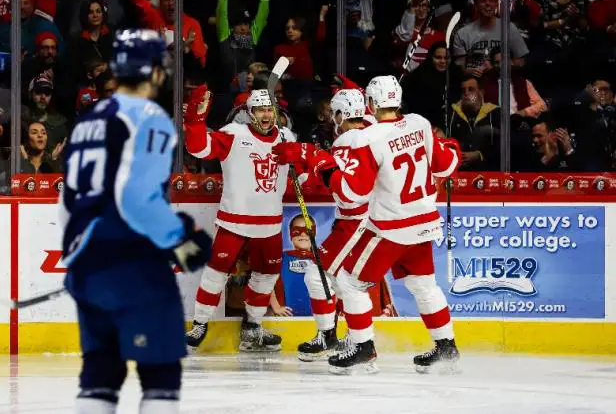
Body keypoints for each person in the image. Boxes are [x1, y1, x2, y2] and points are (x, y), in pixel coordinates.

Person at [59, 29, 212, 414]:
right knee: (160, 375)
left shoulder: (87, 119)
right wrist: (177, 237)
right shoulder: (149, 117)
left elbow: (68, 199)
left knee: (101, 372)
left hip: (86, 264)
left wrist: (80, 251)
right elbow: (137, 198)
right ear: (157, 71)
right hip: (132, 264)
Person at [276, 75, 461, 375]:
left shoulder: (367, 139)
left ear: (372, 104)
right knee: (423, 285)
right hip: (425, 223)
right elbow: (448, 164)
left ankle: (362, 347)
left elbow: (350, 195)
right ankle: (446, 345)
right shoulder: (420, 123)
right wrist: (450, 144)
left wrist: (321, 164)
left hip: (391, 226)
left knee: (350, 282)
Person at [183, 87, 301, 352]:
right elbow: (199, 149)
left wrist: (302, 160)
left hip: (270, 223)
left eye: (270, 109)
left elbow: (302, 175)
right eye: (260, 109)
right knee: (215, 273)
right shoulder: (233, 135)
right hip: (233, 222)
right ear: (249, 113)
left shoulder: (286, 136)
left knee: (267, 276)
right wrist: (195, 121)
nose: (266, 114)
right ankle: (201, 323)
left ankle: (253, 327)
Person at [274, 89, 375, 361]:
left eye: (335, 113)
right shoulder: (370, 133)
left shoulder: (349, 140)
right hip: (361, 221)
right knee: (333, 280)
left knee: (329, 278)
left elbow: (347, 192)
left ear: (342, 114)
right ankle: (340, 337)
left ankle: (354, 342)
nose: (333, 119)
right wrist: (307, 161)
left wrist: (309, 155)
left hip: (358, 222)